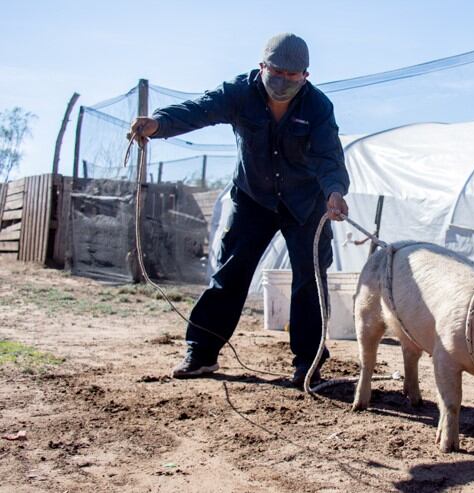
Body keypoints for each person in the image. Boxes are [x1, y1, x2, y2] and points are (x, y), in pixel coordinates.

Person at [129, 33, 349, 387]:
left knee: (310, 280)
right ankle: (201, 354)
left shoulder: (318, 107)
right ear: (262, 67)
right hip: (253, 198)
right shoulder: (239, 93)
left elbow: (329, 157)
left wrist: (335, 192)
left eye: (293, 76)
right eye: (276, 71)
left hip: (305, 203)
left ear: (305, 76)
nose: (283, 80)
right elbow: (198, 109)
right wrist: (160, 124)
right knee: (230, 272)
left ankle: (308, 364)